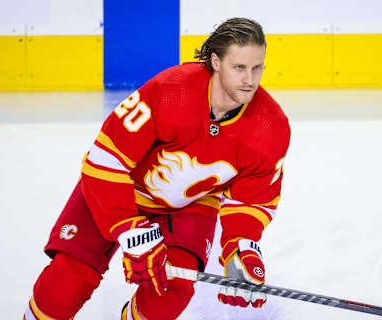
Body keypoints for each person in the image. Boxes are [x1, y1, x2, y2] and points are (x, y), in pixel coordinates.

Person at [23, 17, 290, 320]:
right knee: (64, 283)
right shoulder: (171, 90)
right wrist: (130, 229)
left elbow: (253, 199)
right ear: (215, 62)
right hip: (120, 187)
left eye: (258, 68)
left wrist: (240, 248)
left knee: (172, 289)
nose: (250, 80)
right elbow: (105, 160)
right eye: (239, 67)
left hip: (190, 203)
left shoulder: (271, 127)